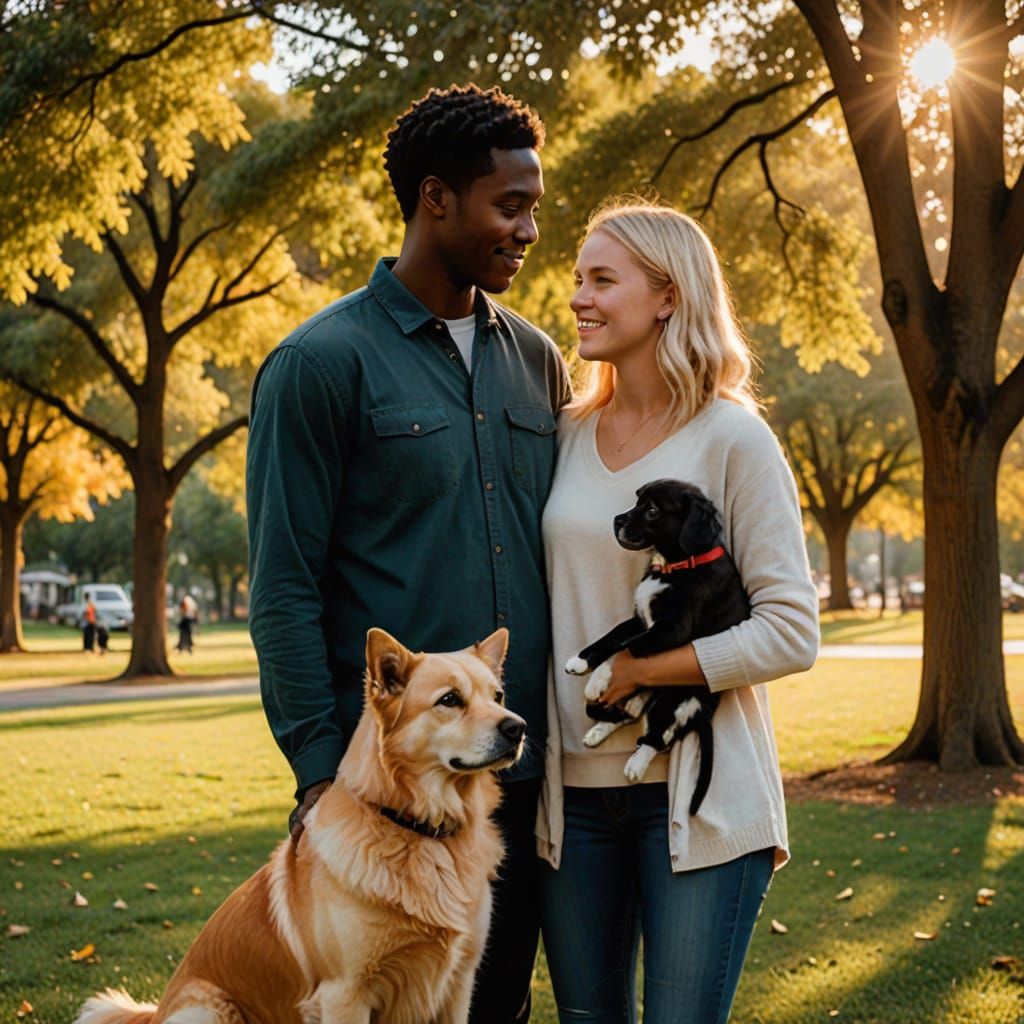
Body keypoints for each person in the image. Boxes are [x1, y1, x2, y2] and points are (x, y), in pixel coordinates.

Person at [246, 84, 570, 1024]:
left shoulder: (541, 361)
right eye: (510, 206)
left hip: (518, 787)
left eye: (535, 209)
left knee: (491, 1007)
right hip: (379, 805)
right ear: (436, 198)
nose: (528, 230)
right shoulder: (319, 364)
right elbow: (283, 590)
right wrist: (320, 778)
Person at [537, 199, 819, 1024]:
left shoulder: (734, 438)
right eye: (577, 280)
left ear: (668, 296)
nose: (580, 299)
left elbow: (792, 628)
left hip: (701, 795)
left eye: (602, 280)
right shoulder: (559, 433)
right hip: (573, 802)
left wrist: (640, 672)